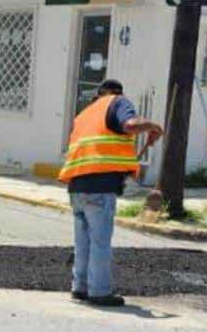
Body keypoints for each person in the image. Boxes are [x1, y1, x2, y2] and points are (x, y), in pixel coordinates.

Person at [58, 78, 163, 307]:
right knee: (100, 241)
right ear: (117, 93)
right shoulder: (118, 102)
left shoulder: (84, 114)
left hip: (76, 185)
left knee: (82, 241)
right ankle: (100, 292)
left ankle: (80, 287)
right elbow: (131, 125)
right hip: (100, 186)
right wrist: (153, 126)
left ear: (99, 94)